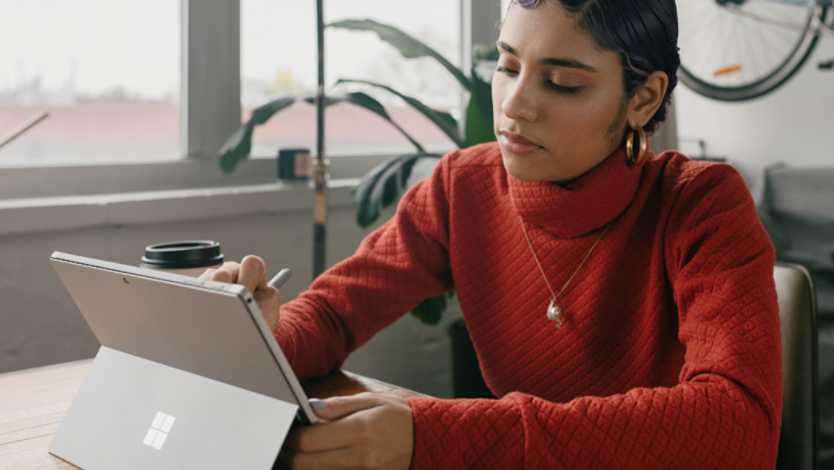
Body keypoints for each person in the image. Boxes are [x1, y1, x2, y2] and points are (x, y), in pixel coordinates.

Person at [201, 0, 783, 468]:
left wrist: (434, 438)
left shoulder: (703, 205)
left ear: (643, 98)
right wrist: (250, 332)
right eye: (506, 67)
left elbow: (740, 422)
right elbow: (333, 313)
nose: (514, 105)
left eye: (561, 82)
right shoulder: (463, 187)